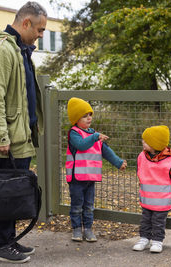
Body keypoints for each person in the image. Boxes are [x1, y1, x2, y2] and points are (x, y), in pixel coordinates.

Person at [0, 1, 47, 263]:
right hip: (8, 137)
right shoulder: (2, 49)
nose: (41, 35)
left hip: (21, 135)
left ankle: (9, 241)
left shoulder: (21, 49)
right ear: (26, 23)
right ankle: (0, 245)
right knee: (4, 192)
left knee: (14, 191)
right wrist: (0, 138)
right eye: (40, 29)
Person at [65, 97, 127, 242]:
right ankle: (76, 230)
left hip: (90, 178)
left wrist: (118, 162)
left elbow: (106, 151)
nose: (89, 118)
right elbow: (81, 145)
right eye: (84, 116)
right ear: (76, 119)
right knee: (77, 206)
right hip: (76, 178)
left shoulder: (94, 134)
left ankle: (88, 229)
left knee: (89, 206)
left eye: (90, 115)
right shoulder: (74, 133)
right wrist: (95, 137)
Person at [132, 125, 171, 253]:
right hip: (147, 198)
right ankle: (144, 239)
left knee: (159, 221)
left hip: (162, 201)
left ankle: (157, 241)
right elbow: (140, 172)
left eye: (146, 141)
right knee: (145, 220)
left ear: (155, 144)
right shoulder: (142, 157)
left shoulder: (169, 162)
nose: (142, 142)